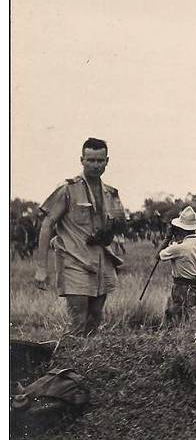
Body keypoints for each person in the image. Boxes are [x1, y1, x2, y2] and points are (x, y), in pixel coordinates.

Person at [33, 137, 127, 337]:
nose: (95, 165)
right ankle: (67, 363)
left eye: (100, 161)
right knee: (78, 319)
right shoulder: (68, 188)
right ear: (82, 160)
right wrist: (42, 268)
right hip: (74, 261)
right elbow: (47, 225)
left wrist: (110, 230)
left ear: (107, 161)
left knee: (95, 317)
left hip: (102, 262)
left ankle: (86, 363)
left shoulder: (111, 193)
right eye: (90, 160)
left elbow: (121, 226)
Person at [157, 207, 196, 326]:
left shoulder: (178, 248)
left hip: (181, 288)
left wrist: (167, 238)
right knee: (185, 316)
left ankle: (170, 334)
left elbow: (158, 256)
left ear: (180, 229)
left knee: (173, 314)